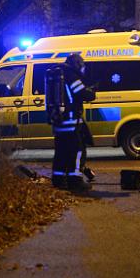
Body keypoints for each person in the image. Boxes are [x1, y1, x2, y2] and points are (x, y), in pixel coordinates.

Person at [48, 53, 96, 191]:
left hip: (59, 121)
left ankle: (58, 180)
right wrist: (91, 92)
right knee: (77, 151)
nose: (83, 68)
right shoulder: (71, 74)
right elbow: (81, 93)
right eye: (82, 65)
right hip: (71, 121)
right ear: (77, 64)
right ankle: (75, 181)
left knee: (61, 152)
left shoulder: (58, 73)